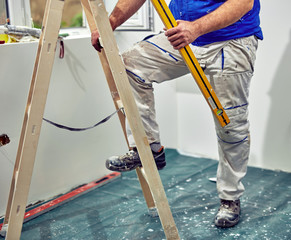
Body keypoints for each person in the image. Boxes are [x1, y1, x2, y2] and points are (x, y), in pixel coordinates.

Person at [91, 0, 263, 228]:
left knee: (230, 125)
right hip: (182, 35)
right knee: (130, 67)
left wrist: (195, 28)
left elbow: (242, 2)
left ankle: (230, 198)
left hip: (230, 41)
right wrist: (110, 23)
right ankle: (148, 148)